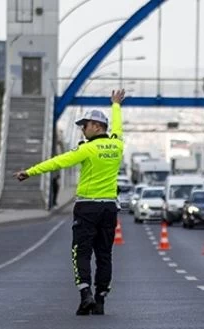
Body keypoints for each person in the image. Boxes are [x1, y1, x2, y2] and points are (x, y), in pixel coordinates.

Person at [17, 89, 126, 315]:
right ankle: (101, 299)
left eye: (84, 125)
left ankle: (85, 293)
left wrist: (30, 172)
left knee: (81, 252)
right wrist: (116, 105)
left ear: (96, 126)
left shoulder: (87, 149)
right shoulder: (117, 145)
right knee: (105, 255)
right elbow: (118, 127)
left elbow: (58, 162)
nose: (82, 129)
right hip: (109, 208)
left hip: (87, 207)